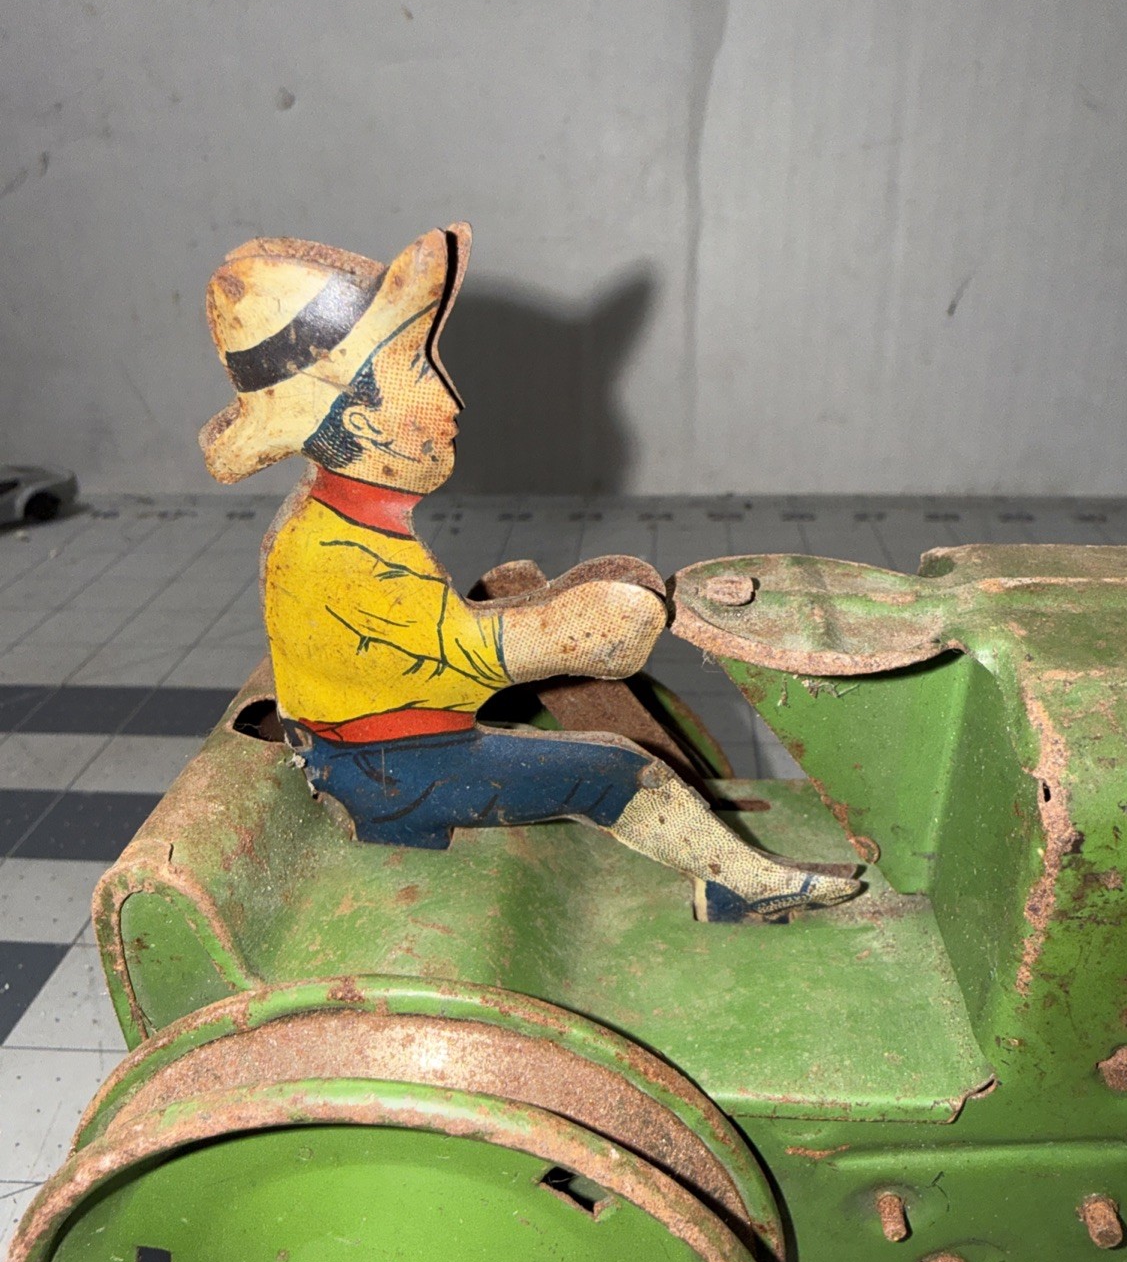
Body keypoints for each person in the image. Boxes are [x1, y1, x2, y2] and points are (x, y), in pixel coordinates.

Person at [199, 224, 859, 923]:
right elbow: (467, 660)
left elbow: (428, 638)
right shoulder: (338, 554)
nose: (451, 402)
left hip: (379, 750)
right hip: (387, 770)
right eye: (420, 377)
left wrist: (559, 610)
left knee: (530, 628)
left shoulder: (342, 528)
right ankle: (737, 884)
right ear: (362, 424)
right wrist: (579, 631)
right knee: (616, 769)